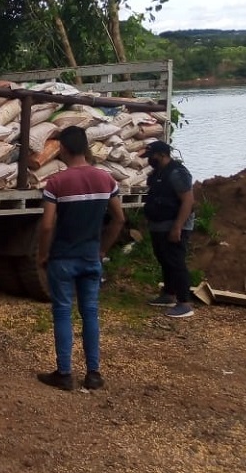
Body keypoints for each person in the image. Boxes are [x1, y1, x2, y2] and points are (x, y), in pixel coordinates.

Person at [36, 125, 125, 391]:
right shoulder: (106, 180)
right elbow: (119, 219)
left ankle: (64, 373)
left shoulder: (57, 183)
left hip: (63, 257)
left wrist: (43, 254)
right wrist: (103, 249)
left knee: (63, 312)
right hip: (90, 257)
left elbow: (48, 225)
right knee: (90, 313)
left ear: (62, 149)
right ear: (86, 147)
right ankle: (94, 373)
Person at [140, 140, 195, 319]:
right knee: (164, 259)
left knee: (176, 261)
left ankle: (184, 303)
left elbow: (188, 201)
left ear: (163, 155)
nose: (150, 160)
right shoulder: (159, 173)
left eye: (152, 156)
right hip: (160, 224)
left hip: (174, 225)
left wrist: (177, 227)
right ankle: (169, 294)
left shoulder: (176, 173)